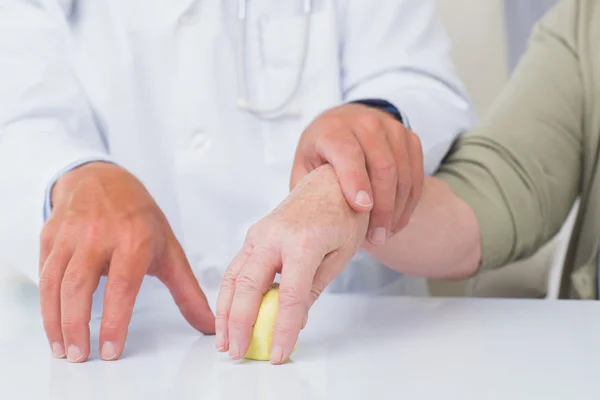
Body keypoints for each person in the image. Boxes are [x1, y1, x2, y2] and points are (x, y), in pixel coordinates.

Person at [0, 0, 474, 363]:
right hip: (124, 342)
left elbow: (419, 80)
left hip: (350, 335)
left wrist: (371, 126)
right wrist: (73, 174)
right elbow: (18, 107)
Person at [219, 0, 600, 364]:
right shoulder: (584, 19)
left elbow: (419, 85)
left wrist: (360, 164)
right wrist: (350, 181)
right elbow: (504, 186)